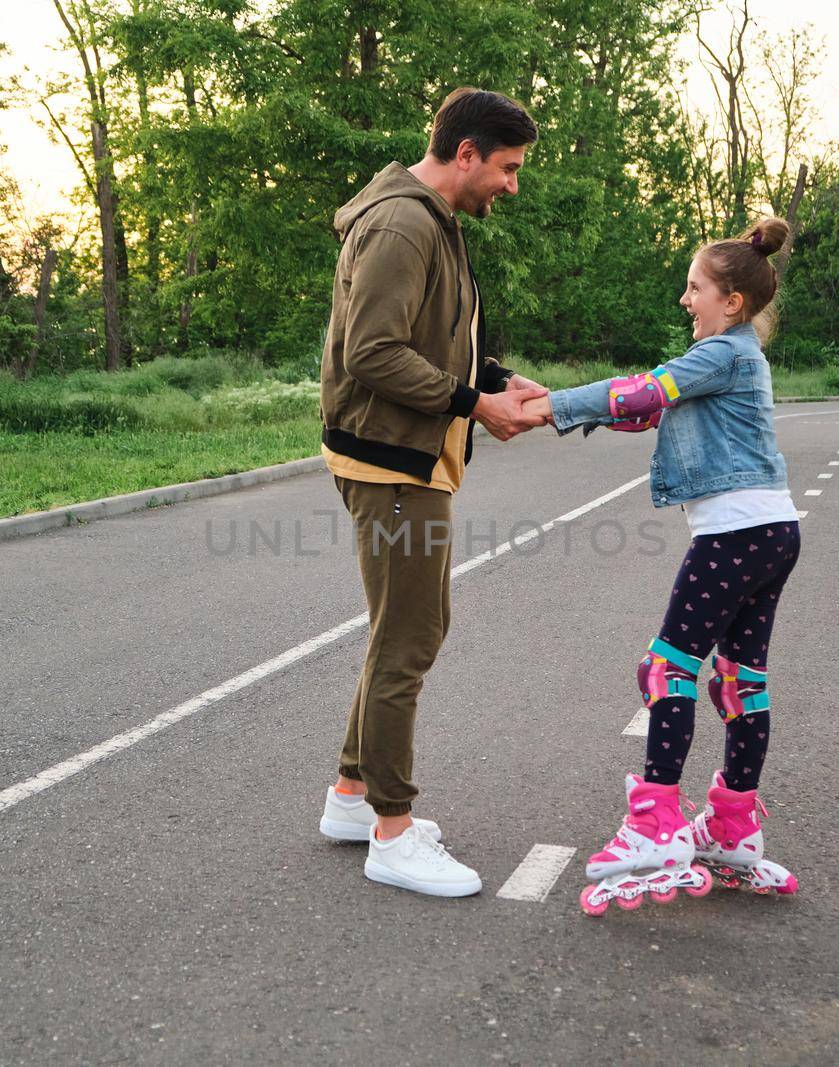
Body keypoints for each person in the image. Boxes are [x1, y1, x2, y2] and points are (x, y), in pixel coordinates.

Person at [522, 217, 803, 915]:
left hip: (735, 535)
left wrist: (543, 411)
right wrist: (550, 401)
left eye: (694, 287)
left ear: (731, 301)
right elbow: (647, 412)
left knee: (665, 667)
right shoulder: (735, 358)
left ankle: (655, 825)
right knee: (740, 679)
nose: (686, 300)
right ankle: (733, 825)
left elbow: (642, 391)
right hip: (771, 530)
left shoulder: (723, 353)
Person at [316, 88, 548, 897]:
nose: (511, 185)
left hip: (410, 455)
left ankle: (353, 796)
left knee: (402, 630)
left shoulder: (432, 221)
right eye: (507, 168)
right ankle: (392, 831)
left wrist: (495, 378)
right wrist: (470, 403)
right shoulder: (403, 223)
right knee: (411, 637)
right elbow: (372, 351)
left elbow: (433, 335)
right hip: (391, 461)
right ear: (465, 154)